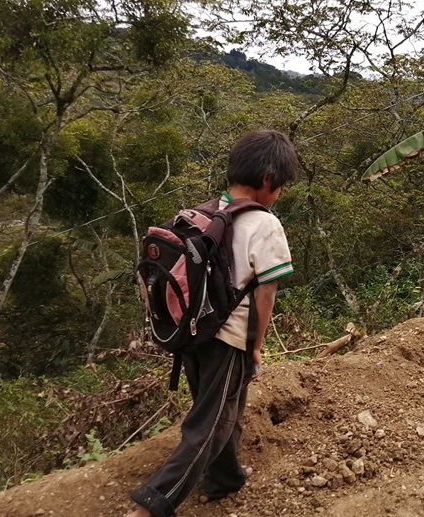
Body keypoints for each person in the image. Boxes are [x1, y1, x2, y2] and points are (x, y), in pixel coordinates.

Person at [127, 130, 298, 517]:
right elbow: (265, 294)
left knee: (226, 409)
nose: (280, 193)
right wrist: (255, 346)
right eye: (281, 185)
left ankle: (226, 479)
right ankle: (152, 504)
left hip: (190, 332)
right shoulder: (264, 224)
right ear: (269, 179)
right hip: (229, 337)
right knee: (212, 422)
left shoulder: (198, 214)